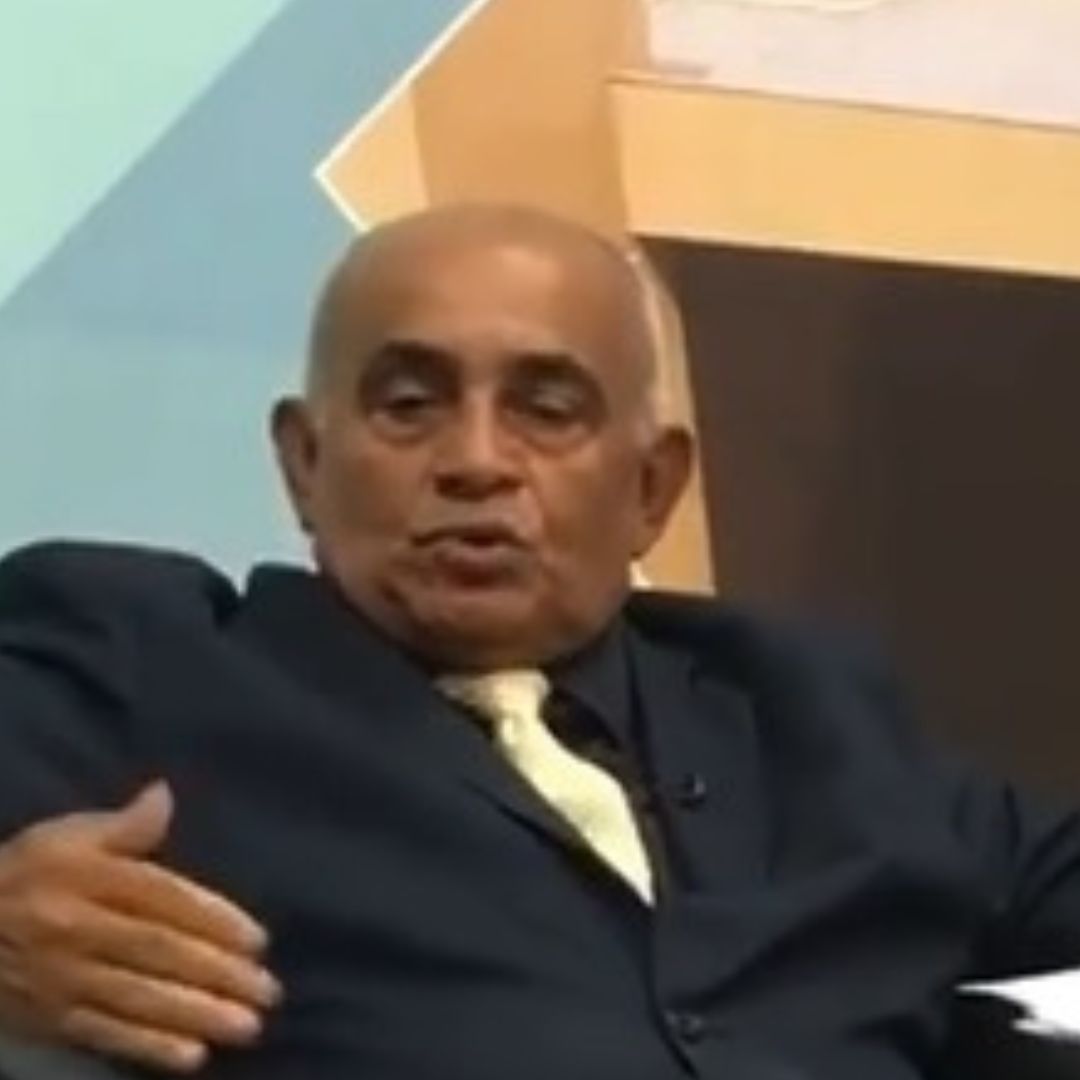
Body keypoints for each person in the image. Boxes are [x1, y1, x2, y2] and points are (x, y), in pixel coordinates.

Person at [0, 204, 1077, 1080]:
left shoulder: (804, 711)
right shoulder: (148, 660)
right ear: (304, 463)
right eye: (410, 404)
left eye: (547, 410)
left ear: (651, 489)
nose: (476, 461)